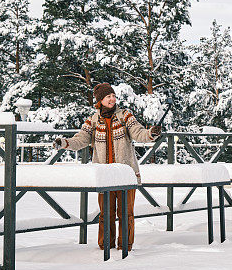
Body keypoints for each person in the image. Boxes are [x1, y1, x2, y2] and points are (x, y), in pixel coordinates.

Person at [53, 83, 161, 250]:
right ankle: (105, 246)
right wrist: (64, 143)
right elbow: (81, 139)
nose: (112, 99)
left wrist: (151, 134)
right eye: (108, 96)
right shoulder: (93, 120)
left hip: (125, 173)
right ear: (100, 100)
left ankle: (125, 246)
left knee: (126, 213)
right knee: (106, 213)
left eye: (113, 96)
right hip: (105, 175)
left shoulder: (125, 115)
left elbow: (138, 132)